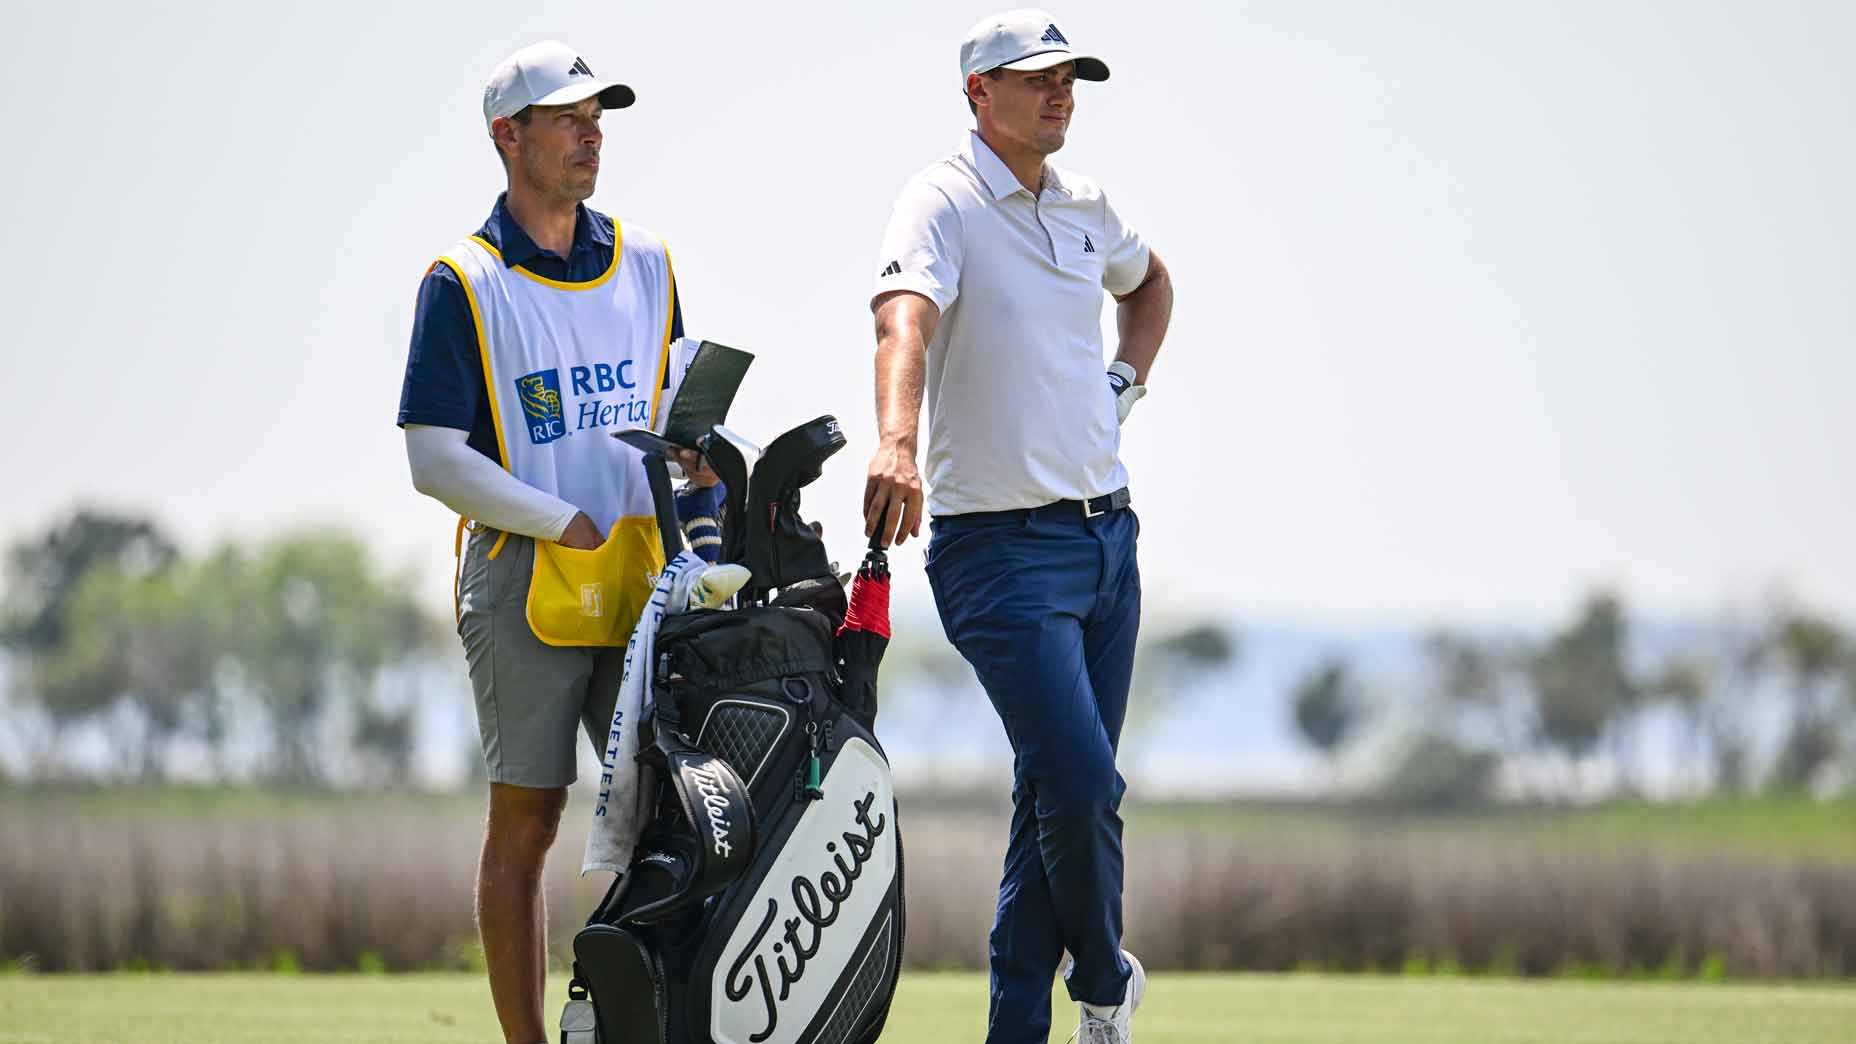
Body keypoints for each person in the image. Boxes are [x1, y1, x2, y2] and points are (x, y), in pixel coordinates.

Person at [863, 10, 1174, 1044]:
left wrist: (1123, 381)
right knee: (1081, 782)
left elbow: (1150, 283)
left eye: (1068, 78)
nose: (1059, 93)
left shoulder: (1086, 204)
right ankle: (1101, 980)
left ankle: (1016, 1032)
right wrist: (896, 442)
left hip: (1104, 545)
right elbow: (902, 316)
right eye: (1035, 78)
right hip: (997, 553)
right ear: (975, 94)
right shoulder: (939, 202)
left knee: (1046, 797)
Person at [396, 40, 716, 1044]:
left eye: (598, 116)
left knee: (665, 824)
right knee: (528, 823)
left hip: (639, 577)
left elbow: (671, 414)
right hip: (524, 577)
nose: (591, 133)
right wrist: (550, 516)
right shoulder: (465, 280)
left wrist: (706, 455)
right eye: (566, 116)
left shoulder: (649, 259)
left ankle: (646, 1023)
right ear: (508, 136)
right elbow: (433, 459)